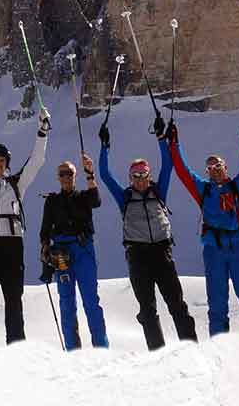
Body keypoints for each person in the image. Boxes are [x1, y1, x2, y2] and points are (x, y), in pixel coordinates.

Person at [97, 115, 198, 349]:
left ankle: (191, 347)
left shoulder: (159, 190)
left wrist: (162, 138)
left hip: (162, 253)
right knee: (147, 309)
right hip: (138, 257)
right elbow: (104, 175)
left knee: (176, 303)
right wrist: (105, 146)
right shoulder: (124, 197)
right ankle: (157, 353)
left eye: (143, 175)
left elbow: (168, 164)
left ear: (149, 176)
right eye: (136, 176)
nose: (140, 180)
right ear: (130, 178)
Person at [167, 112, 239, 338]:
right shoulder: (203, 190)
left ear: (225, 166)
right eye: (210, 168)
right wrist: (174, 143)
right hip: (214, 250)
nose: (214, 170)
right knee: (217, 303)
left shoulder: (237, 187)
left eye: (217, 165)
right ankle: (219, 348)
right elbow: (183, 172)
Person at [0, 107, 50, 348]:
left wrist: (42, 131)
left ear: (6, 163)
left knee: (14, 300)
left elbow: (37, 161)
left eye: (1, 161)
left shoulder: (16, 183)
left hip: (12, 246)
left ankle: (17, 351)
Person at [40, 152, 108, 350]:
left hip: (83, 250)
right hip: (61, 254)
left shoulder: (84, 196)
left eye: (69, 173)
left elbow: (96, 201)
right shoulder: (51, 201)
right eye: (62, 174)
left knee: (90, 300)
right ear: (58, 177)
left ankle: (101, 349)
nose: (66, 177)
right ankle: (72, 351)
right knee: (66, 302)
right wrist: (45, 255)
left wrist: (90, 174)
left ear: (74, 175)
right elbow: (44, 231)